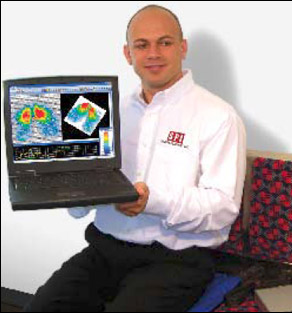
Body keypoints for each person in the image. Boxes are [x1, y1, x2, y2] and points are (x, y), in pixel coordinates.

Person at [24, 4, 246, 312]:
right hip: (103, 251)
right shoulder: (101, 111)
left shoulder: (218, 116)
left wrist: (152, 201)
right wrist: (63, 182)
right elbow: (78, 210)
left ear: (182, 48)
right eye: (142, 45)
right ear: (128, 54)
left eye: (164, 42)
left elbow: (223, 209)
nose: (153, 53)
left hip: (176, 262)